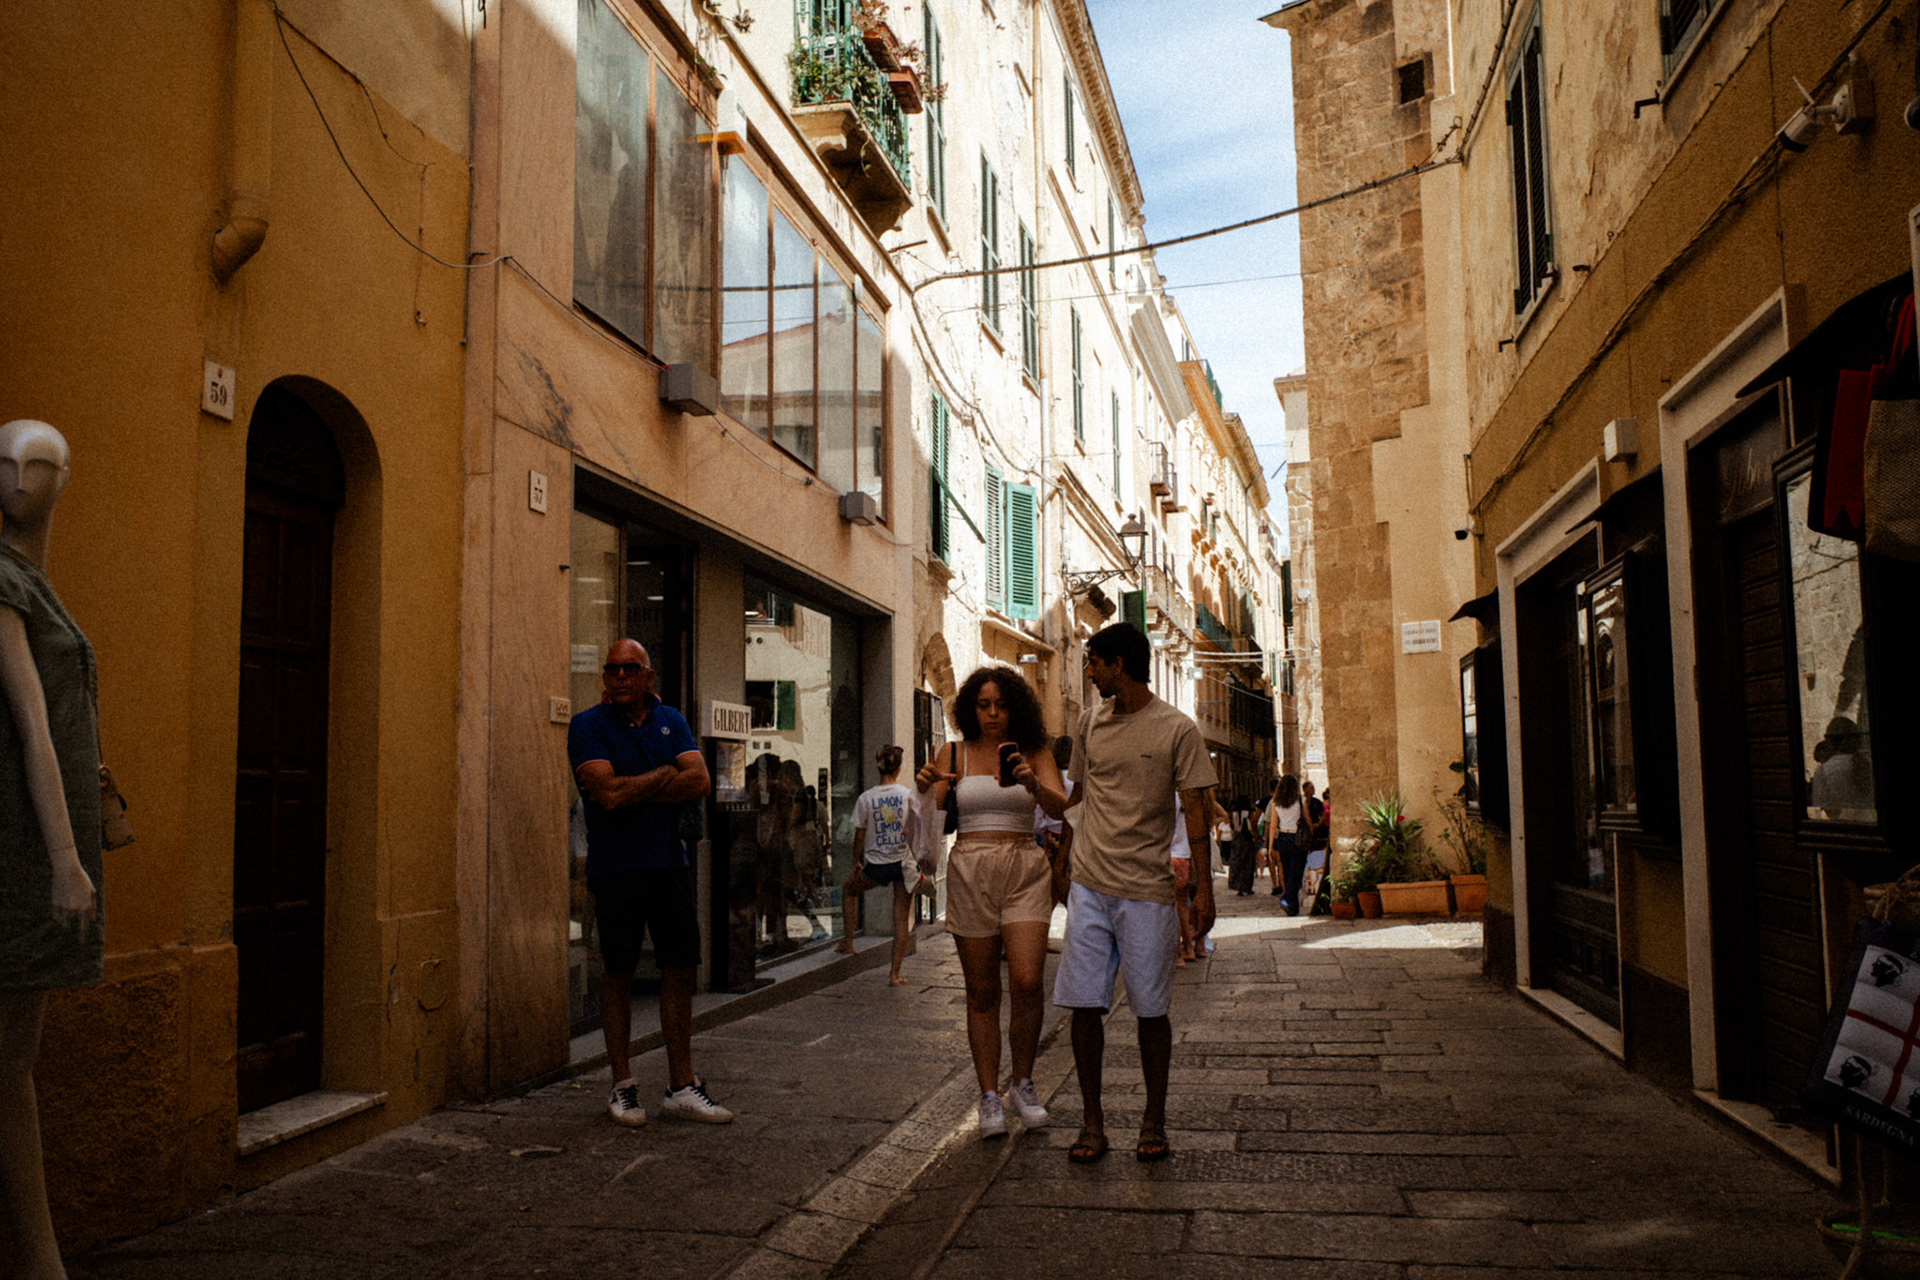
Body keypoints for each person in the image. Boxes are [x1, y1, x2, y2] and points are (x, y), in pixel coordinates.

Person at [1054, 623, 1216, 1165]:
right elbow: (1079, 798)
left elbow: (1195, 808)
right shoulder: (1088, 724)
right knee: (1082, 1006)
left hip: (1147, 890)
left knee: (1151, 1012)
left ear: (1119, 664)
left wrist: (1202, 890)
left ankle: (1154, 1119)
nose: (1091, 671)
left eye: (1095, 662)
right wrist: (1062, 863)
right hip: (1091, 885)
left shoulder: (1177, 728)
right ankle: (1092, 1122)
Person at [1, 421, 103, 1280]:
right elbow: (32, 724)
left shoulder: (37, 580)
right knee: (10, 1068)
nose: (15, 479)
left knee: (14, 1065)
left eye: (32, 465)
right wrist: (66, 860)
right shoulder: (4, 581)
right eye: (3, 463)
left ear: (62, 479)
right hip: (21, 850)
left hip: (34, 843)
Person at [568, 638, 732, 1127]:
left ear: (647, 676)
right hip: (615, 868)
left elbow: (699, 782)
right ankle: (623, 1085)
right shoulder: (587, 725)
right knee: (618, 972)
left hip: (668, 865)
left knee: (678, 969)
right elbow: (608, 794)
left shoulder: (672, 719)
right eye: (612, 669)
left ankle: (681, 1084)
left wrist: (634, 782)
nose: (619, 676)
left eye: (628, 669)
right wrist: (664, 772)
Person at [915, 665, 1069, 1139]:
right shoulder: (954, 751)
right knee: (982, 991)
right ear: (970, 708)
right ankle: (988, 1095)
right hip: (971, 866)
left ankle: (1022, 1082)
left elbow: (1062, 807)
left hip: (1024, 864)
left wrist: (1033, 784)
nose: (993, 714)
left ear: (1015, 707)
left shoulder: (1034, 751)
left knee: (1026, 980)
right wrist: (923, 787)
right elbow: (933, 821)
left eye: (1000, 704)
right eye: (983, 705)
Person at [836, 745, 913, 984]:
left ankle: (849, 941)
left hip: (876, 865)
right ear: (899, 767)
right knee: (901, 918)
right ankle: (894, 974)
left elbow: (859, 834)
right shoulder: (908, 796)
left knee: (849, 890)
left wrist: (856, 862)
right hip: (902, 864)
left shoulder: (866, 798)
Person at [1265, 774, 1305, 911]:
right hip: (1297, 838)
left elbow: (1273, 825)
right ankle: (1287, 898)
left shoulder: (1276, 802)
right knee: (1297, 871)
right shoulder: (1300, 800)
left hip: (1282, 838)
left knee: (1287, 871)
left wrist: (1270, 846)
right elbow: (1308, 821)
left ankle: (1292, 906)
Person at [1228, 794, 1258, 896]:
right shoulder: (1248, 812)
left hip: (1237, 838)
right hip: (1247, 838)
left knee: (1237, 862)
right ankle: (1247, 887)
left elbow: (1231, 825)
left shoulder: (1233, 813)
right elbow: (1253, 825)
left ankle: (1239, 887)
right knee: (1248, 863)